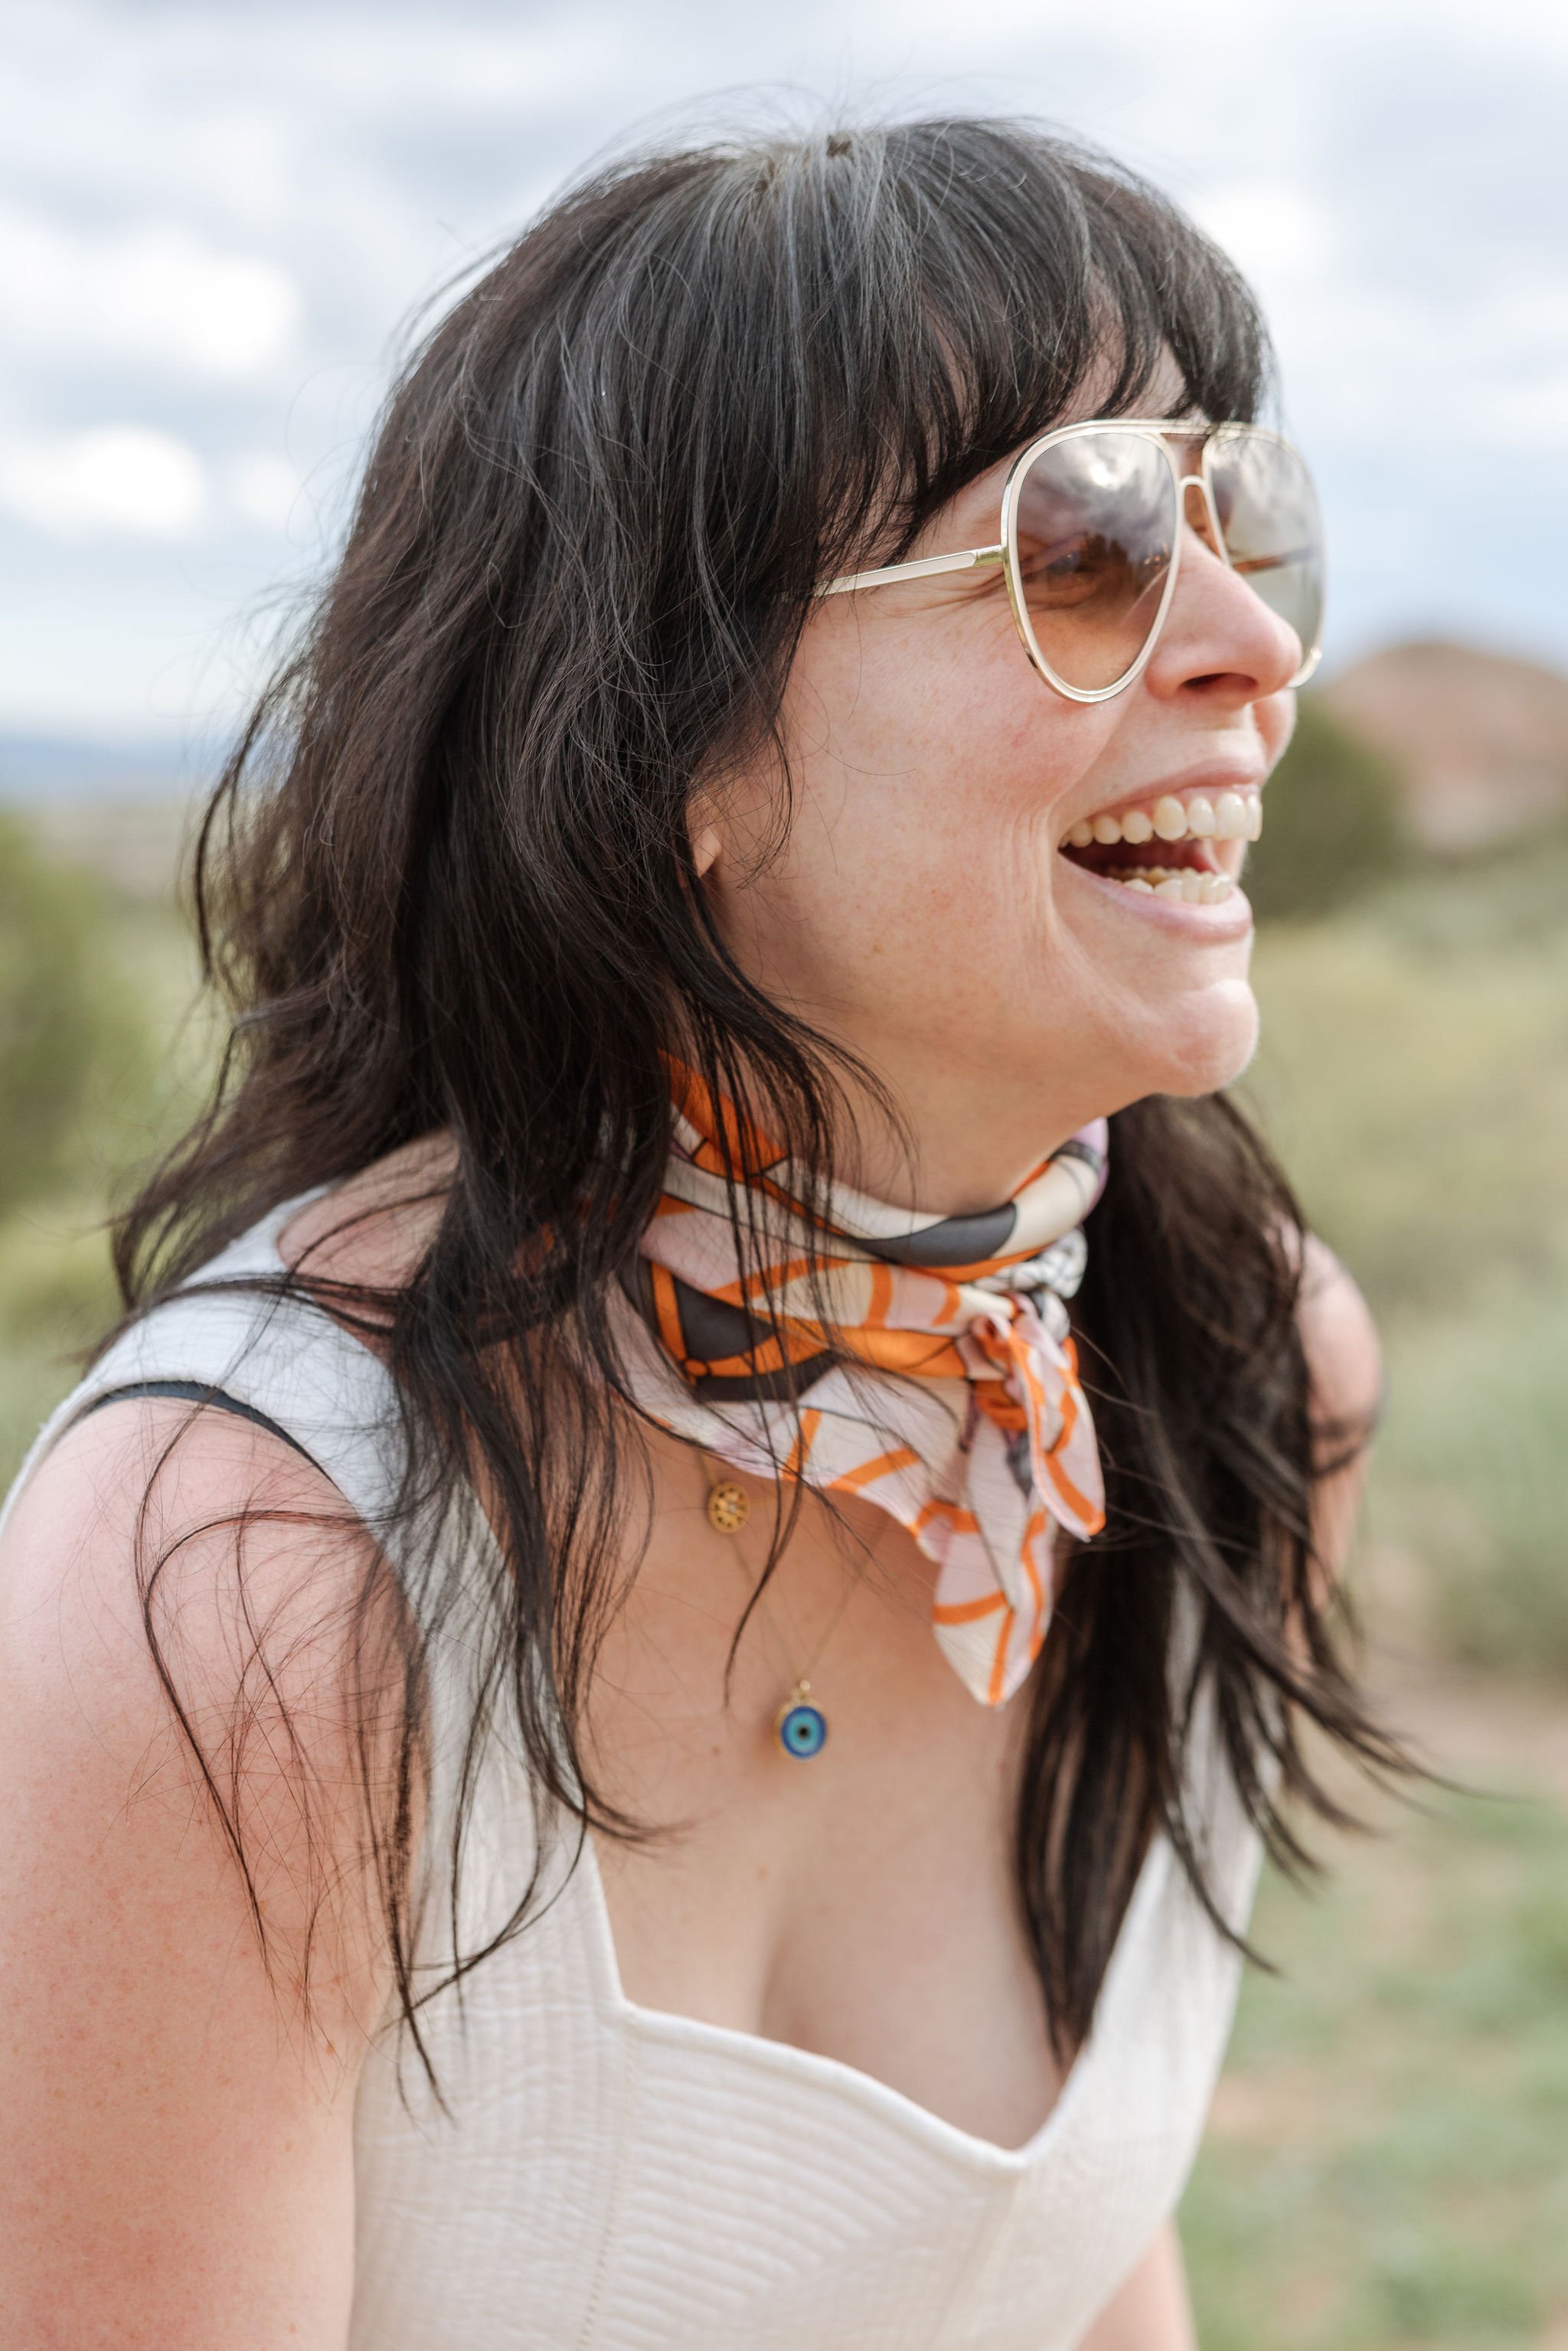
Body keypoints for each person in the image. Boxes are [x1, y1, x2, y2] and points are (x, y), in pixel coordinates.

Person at [0, 118, 1390, 2350]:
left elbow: (1068, 2269)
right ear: (680, 756)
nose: (1254, 650)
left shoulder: (1242, 1381)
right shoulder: (246, 1578)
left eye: (1249, 524)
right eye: (1096, 547)